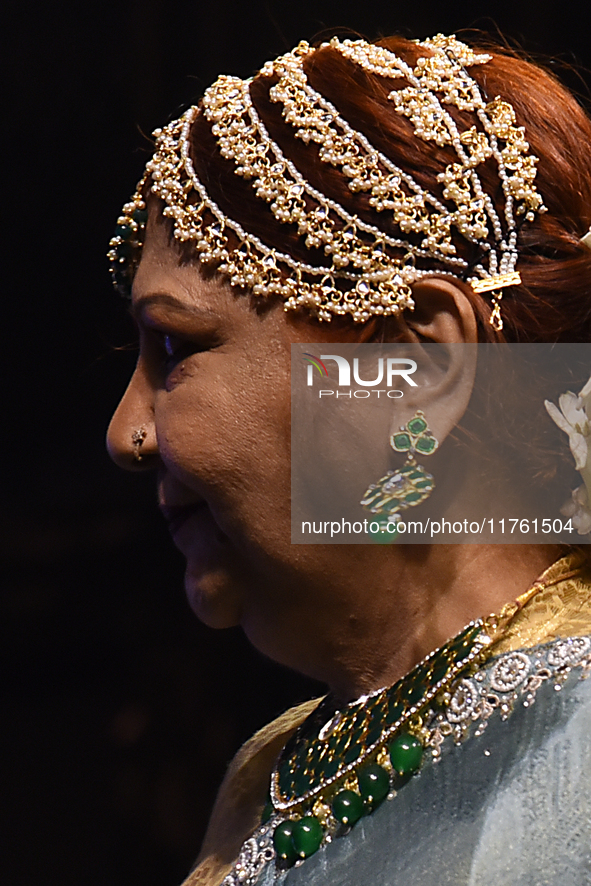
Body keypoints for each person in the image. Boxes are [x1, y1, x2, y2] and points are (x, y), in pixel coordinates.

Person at [106, 33, 591, 886]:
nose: (126, 434)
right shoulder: (273, 781)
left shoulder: (570, 739)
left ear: (417, 364)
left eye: (175, 346)